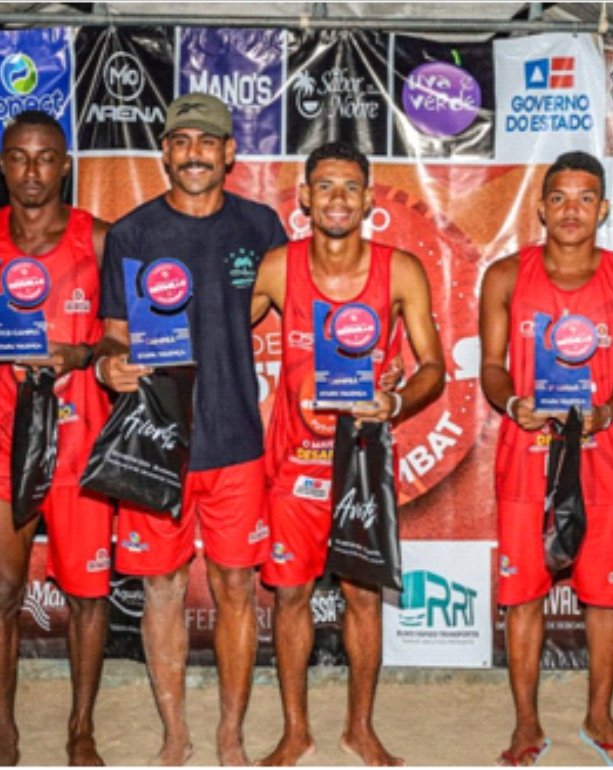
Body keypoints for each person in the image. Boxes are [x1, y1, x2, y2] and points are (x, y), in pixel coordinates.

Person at [94, 92, 287, 766]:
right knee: (161, 588)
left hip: (235, 440)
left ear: (229, 152)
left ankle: (230, 734)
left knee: (237, 587)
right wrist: (109, 365)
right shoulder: (132, 233)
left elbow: (301, 308)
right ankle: (174, 733)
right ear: (166, 152)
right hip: (156, 443)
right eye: (181, 141)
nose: (194, 153)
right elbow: (112, 334)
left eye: (207, 141)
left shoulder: (261, 226)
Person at [252, 140, 446, 767]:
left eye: (350, 187)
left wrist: (396, 402)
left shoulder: (401, 270)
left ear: (367, 200)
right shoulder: (278, 267)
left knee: (363, 599)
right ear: (304, 198)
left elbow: (434, 369)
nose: (337, 198)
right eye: (325, 186)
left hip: (360, 463)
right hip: (293, 466)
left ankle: (359, 729)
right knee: (290, 596)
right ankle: (296, 731)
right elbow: (222, 329)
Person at [479, 151, 613, 766]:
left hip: (601, 453)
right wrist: (512, 403)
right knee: (524, 594)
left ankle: (599, 716)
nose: (571, 210)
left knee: (606, 596)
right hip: (528, 453)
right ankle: (526, 722)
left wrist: (606, 412)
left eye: (584, 198)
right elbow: (492, 367)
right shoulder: (506, 275)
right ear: (541, 207)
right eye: (559, 197)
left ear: (603, 208)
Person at [0, 109, 112, 766]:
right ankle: (4, 734)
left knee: (87, 595)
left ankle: (81, 728)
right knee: (0, 594)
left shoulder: (98, 239)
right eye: (20, 157)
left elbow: (123, 337)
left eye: (46, 157)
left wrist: (82, 354)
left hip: (79, 443)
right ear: (2, 164)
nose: (32, 170)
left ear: (65, 166)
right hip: (3, 437)